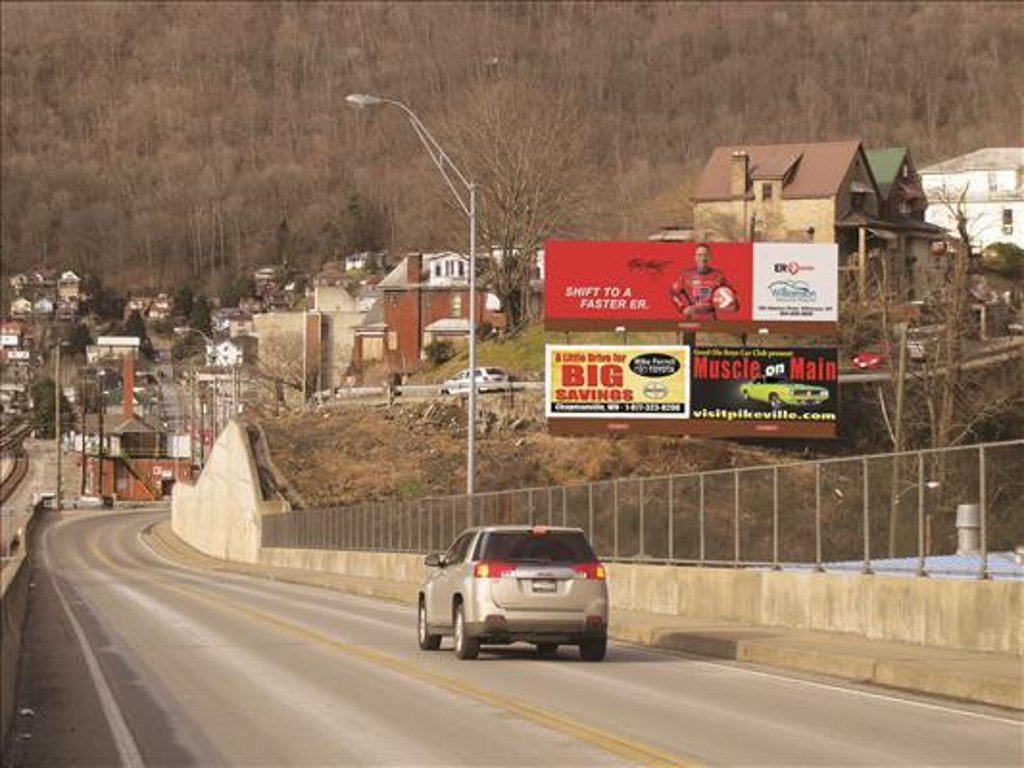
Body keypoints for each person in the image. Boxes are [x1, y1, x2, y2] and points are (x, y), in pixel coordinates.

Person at [669, 243, 738, 319]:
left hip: (711, 318)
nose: (703, 258)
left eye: (705, 255)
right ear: (695, 257)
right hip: (692, 318)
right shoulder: (686, 275)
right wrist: (682, 307)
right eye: (700, 255)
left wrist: (732, 304)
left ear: (710, 257)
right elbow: (673, 292)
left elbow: (731, 293)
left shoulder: (718, 275)